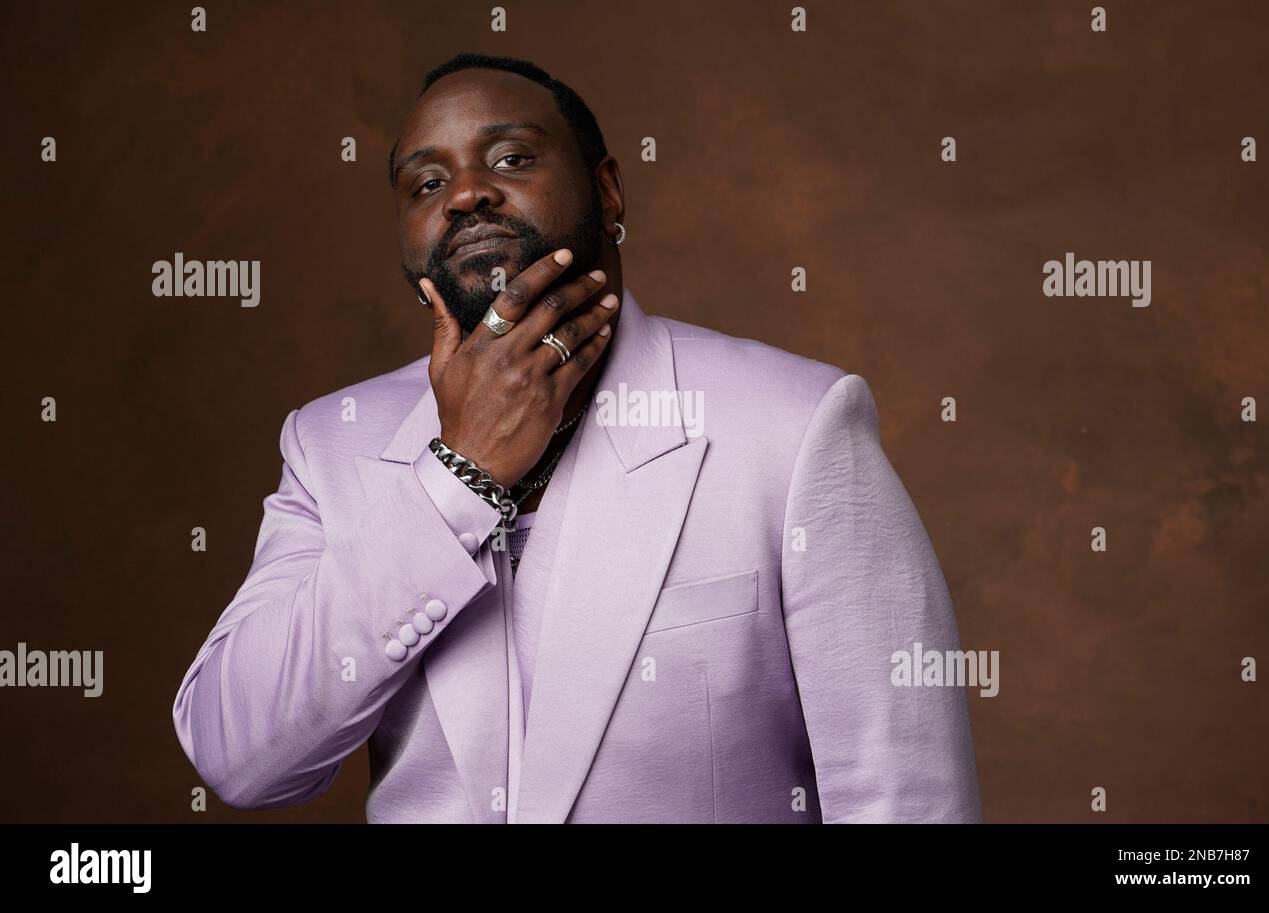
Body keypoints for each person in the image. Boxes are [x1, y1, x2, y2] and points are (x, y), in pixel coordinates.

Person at [172, 52, 982, 823]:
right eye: (427, 181)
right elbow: (240, 757)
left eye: (512, 159)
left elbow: (903, 798)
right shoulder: (331, 446)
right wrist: (459, 474)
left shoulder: (796, 425)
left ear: (609, 192)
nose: (464, 196)